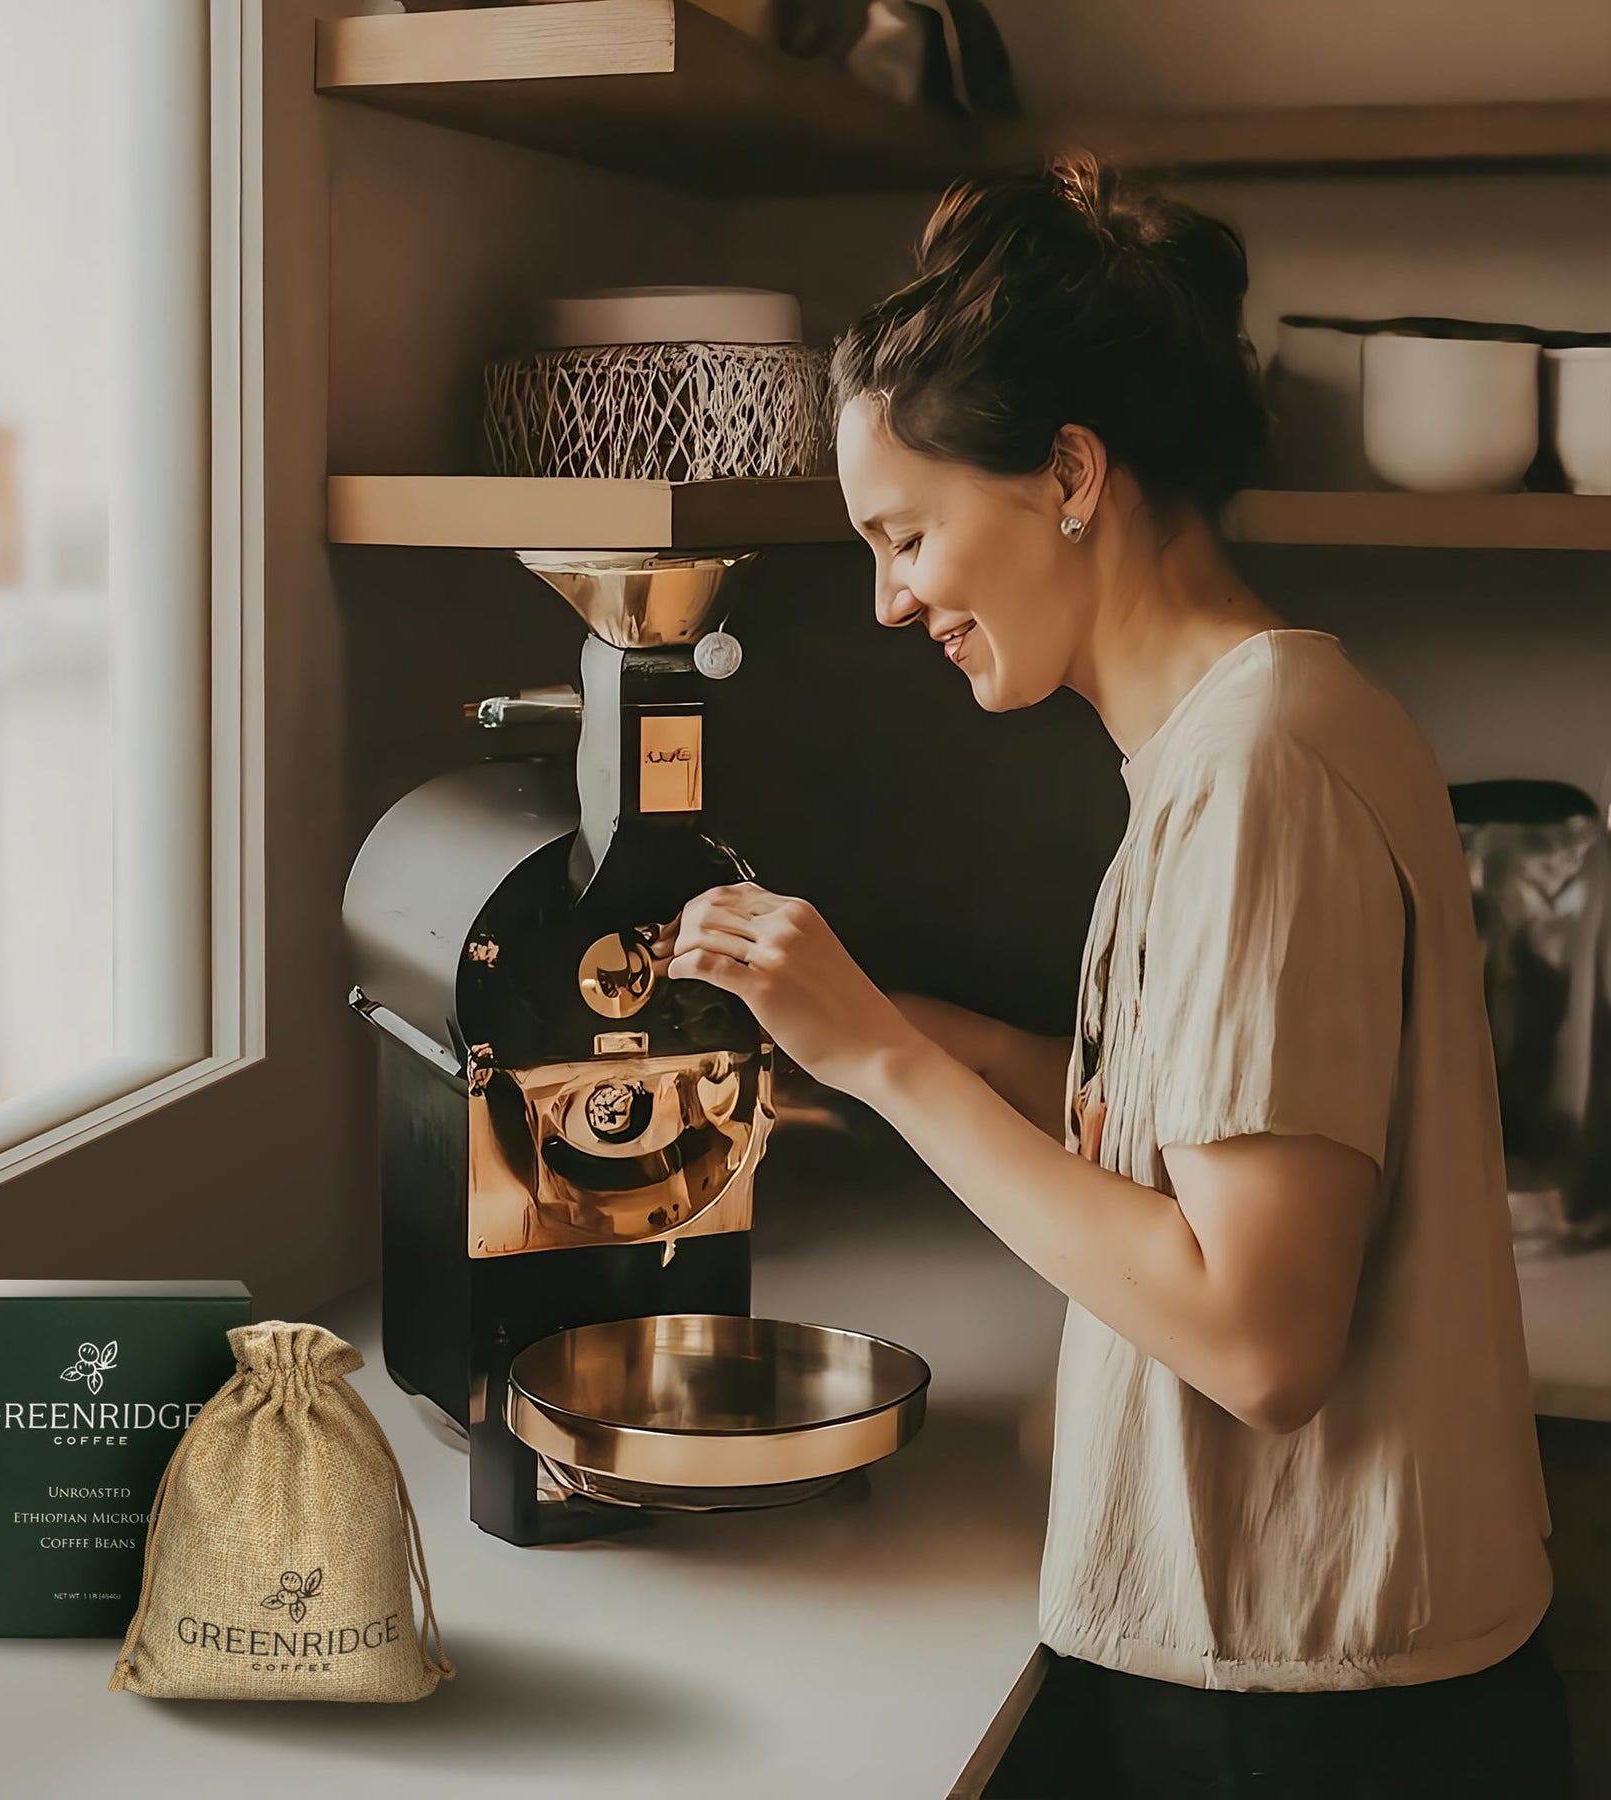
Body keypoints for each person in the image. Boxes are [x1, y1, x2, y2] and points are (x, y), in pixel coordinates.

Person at [651, 155, 1572, 1798]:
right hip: (1318, 1677)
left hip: (1309, 1710)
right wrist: (858, 1033)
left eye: (909, 531)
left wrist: (883, 1062)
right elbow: (1178, 1122)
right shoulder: (1255, 731)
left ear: (1069, 470)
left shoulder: (1257, 776)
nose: (888, 600)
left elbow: (1256, 1332)